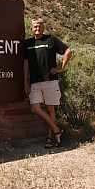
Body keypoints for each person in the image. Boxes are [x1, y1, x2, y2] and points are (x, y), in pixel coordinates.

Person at [23, 18, 73, 149]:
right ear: (31, 29)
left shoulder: (50, 39)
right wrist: (25, 81)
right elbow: (26, 63)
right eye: (35, 27)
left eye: (39, 26)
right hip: (35, 82)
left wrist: (61, 68)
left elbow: (68, 51)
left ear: (43, 28)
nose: (37, 28)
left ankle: (50, 138)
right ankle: (57, 130)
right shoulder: (27, 43)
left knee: (50, 109)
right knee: (35, 108)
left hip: (50, 80)